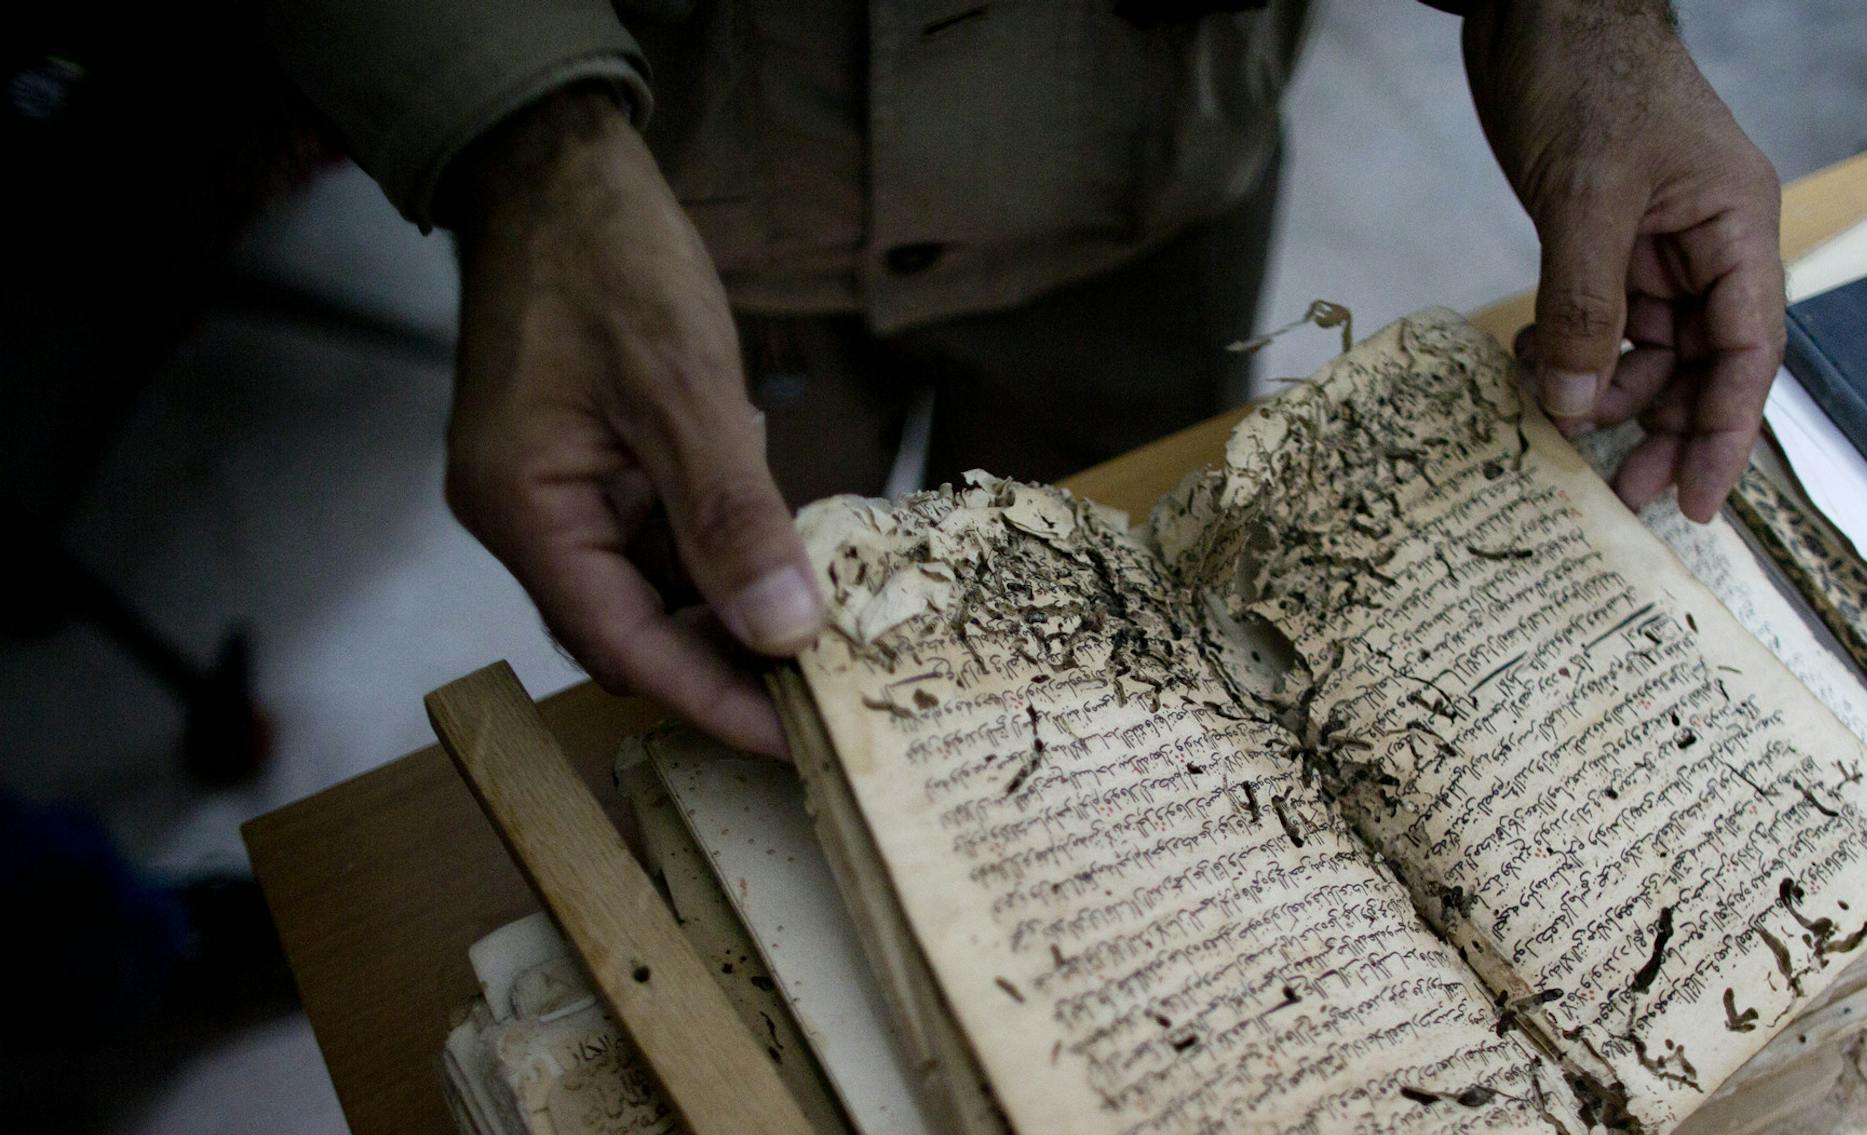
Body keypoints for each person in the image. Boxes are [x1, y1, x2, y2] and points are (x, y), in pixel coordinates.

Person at [263, 0, 1782, 758]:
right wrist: (514, 133)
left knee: (1128, 664)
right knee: (752, 715)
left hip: (1153, 181)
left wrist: (1589, 9)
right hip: (673, 209)